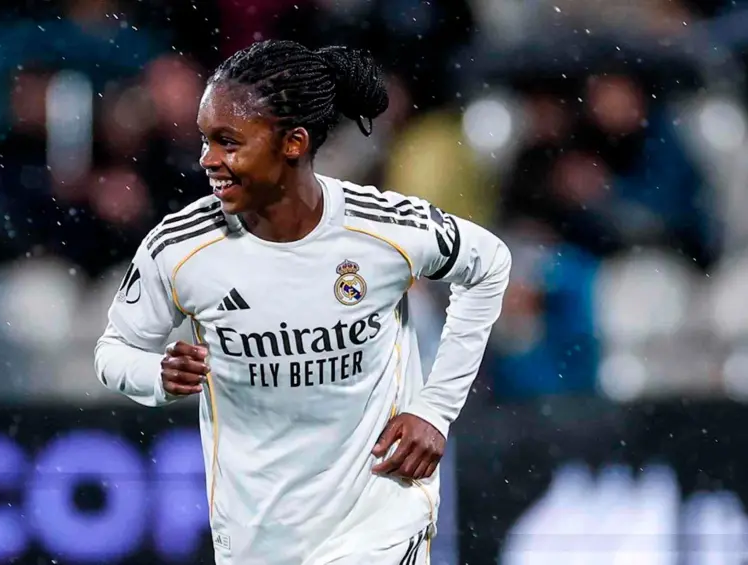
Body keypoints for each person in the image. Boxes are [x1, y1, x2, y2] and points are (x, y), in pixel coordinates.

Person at [94, 39, 511, 565]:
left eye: (228, 142)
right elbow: (113, 352)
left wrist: (435, 409)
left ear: (292, 143)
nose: (208, 160)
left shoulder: (379, 229)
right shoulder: (180, 249)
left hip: (375, 524)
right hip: (256, 535)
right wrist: (155, 374)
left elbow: (489, 263)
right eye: (205, 140)